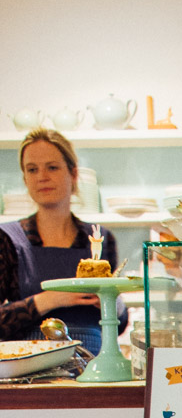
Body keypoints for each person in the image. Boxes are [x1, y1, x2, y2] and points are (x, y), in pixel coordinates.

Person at [0, 128, 127, 353]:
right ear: (25, 179)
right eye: (32, 169)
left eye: (52, 167)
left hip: (94, 363)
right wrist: (50, 300)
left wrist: (110, 303)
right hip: (31, 367)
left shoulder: (101, 239)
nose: (42, 177)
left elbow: (119, 324)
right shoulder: (8, 240)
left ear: (73, 174)